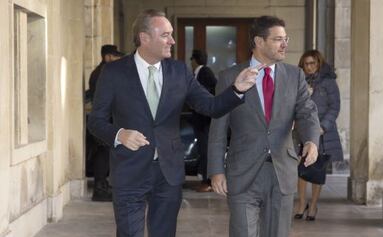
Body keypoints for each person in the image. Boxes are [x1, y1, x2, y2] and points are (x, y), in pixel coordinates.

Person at [87, 9, 259, 237]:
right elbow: (96, 121)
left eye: (171, 34)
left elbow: (211, 107)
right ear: (144, 38)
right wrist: (119, 135)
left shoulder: (179, 71)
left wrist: (237, 90)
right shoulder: (114, 72)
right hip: (129, 170)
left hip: (168, 172)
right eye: (165, 35)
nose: (173, 40)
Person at [208, 15, 321, 237]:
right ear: (259, 42)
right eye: (278, 39)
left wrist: (311, 140)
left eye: (286, 38)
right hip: (243, 171)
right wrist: (215, 170)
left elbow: (307, 112)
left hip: (282, 171)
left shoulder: (294, 75)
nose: (285, 44)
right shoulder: (230, 77)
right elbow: (218, 127)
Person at [294, 49, 343, 221]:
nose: (309, 67)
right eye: (306, 64)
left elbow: (335, 107)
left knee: (317, 170)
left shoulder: (328, 83)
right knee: (301, 169)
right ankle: (301, 203)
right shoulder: (299, 81)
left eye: (312, 63)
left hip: (322, 132)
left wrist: (324, 126)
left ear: (319, 63)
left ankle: (313, 205)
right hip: (302, 131)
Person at [87, 44, 124, 202]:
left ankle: (102, 185)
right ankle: (99, 189)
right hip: (102, 121)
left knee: (104, 154)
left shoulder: (102, 71)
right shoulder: (102, 73)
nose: (117, 59)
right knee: (102, 154)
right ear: (107, 57)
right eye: (115, 56)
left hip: (105, 120)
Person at [190, 49, 217, 192]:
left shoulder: (205, 72)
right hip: (200, 119)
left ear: (195, 60)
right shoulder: (200, 73)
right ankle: (205, 179)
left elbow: (209, 93)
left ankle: (209, 181)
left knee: (206, 148)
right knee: (202, 148)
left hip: (205, 119)